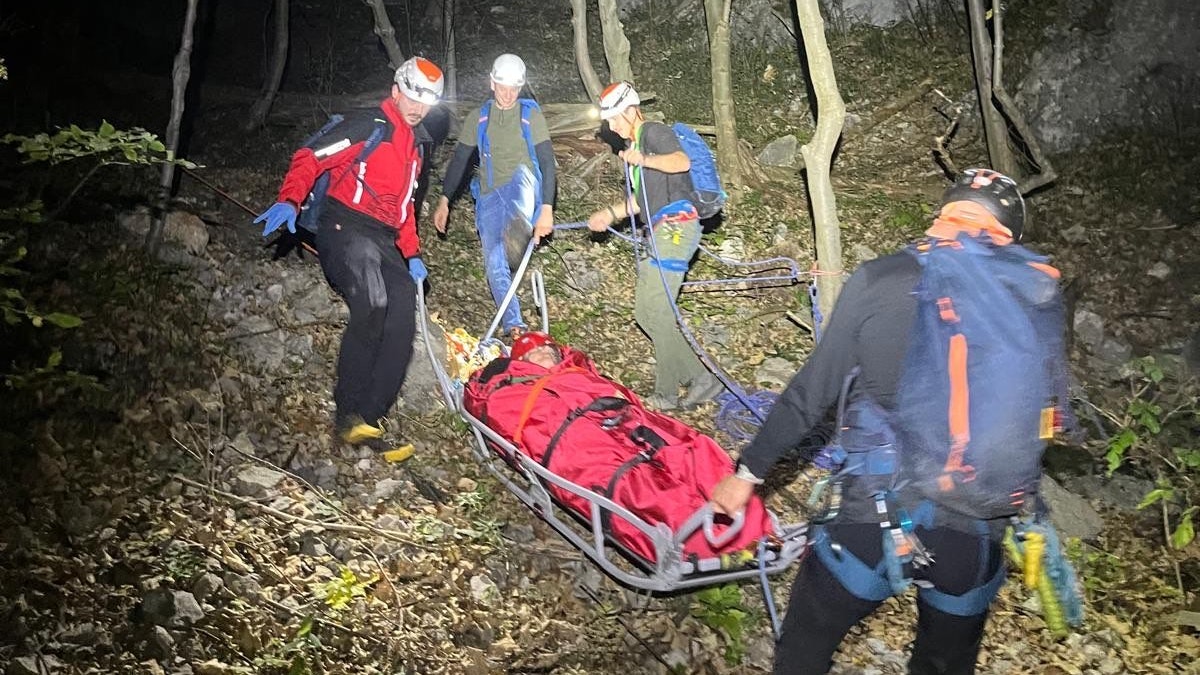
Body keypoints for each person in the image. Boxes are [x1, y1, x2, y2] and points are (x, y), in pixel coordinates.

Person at [711, 169, 1067, 674]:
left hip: (876, 511)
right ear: (1010, 230)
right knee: (944, 662)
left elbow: (813, 392)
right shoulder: (1038, 295)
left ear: (946, 210)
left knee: (806, 646)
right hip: (978, 521)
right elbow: (1036, 416)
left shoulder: (882, 278)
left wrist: (748, 474)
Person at [253, 56, 445, 458]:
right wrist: (290, 199)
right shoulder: (368, 125)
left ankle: (368, 421)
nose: (417, 107)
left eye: (426, 101)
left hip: (385, 238)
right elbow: (311, 157)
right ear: (396, 90)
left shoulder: (416, 147)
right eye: (412, 95)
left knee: (401, 323)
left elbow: (405, 206)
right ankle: (347, 410)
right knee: (373, 303)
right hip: (345, 226)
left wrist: (412, 254)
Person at [585, 81, 724, 412]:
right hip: (660, 230)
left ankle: (666, 394)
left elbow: (680, 163)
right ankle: (701, 379)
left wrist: (643, 158)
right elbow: (640, 201)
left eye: (617, 119)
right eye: (610, 122)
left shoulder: (654, 132)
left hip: (676, 229)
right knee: (645, 314)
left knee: (658, 311)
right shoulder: (637, 149)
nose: (614, 127)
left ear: (632, 110)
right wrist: (609, 213)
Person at [433, 54, 557, 340]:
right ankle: (514, 324)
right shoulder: (480, 117)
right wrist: (444, 200)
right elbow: (461, 157)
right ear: (492, 83)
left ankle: (519, 228)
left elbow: (547, 161)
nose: (508, 94)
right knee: (494, 261)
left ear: (521, 87)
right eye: (503, 86)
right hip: (489, 195)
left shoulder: (530, 115)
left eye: (514, 88)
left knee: (523, 177)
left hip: (522, 188)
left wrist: (547, 209)